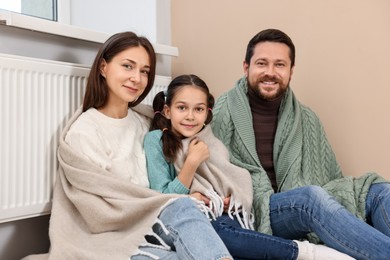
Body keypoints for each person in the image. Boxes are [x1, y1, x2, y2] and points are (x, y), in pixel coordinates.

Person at [22, 32, 233, 260]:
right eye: (128, 66)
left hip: (155, 223)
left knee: (196, 221)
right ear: (103, 67)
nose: (137, 78)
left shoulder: (145, 123)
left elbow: (168, 172)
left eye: (144, 71)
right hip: (115, 235)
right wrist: (177, 201)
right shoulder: (85, 131)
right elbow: (99, 210)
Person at [211, 28, 390, 259]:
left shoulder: (306, 117)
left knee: (380, 191)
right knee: (310, 198)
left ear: (291, 71)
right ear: (246, 67)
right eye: (262, 63)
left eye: (279, 65)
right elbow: (209, 172)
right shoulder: (221, 114)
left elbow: (332, 178)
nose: (270, 72)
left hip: (301, 200)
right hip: (262, 208)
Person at [144, 74, 353, 260]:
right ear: (167, 110)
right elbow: (162, 197)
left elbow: (230, 177)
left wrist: (227, 199)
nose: (190, 116)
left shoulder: (209, 139)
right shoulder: (156, 140)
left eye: (198, 109)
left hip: (224, 214)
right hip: (190, 218)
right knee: (220, 234)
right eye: (182, 108)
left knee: (229, 237)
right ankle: (303, 252)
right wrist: (191, 163)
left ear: (206, 113)